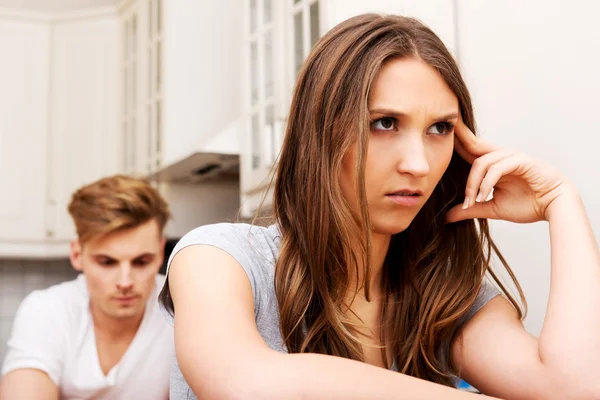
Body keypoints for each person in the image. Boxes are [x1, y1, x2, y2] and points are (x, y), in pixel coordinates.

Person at [159, 14, 600, 400]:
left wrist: (561, 202)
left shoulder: (445, 299)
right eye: (384, 123)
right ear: (321, 133)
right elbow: (244, 384)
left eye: (440, 128)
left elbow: (574, 387)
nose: (418, 164)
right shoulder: (220, 258)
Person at [0, 175, 175, 399]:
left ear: (161, 252)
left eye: (141, 262)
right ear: (77, 254)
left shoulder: (181, 309)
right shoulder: (47, 310)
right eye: (107, 262)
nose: (125, 282)